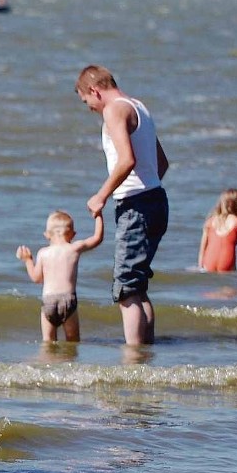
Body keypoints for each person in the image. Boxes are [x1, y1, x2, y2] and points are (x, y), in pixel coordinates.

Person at [75, 65, 169, 346]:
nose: (89, 108)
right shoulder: (139, 106)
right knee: (137, 287)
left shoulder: (114, 110)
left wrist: (101, 195)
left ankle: (133, 361)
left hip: (136, 206)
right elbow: (161, 162)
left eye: (86, 101)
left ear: (94, 90)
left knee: (126, 290)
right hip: (156, 200)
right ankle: (146, 354)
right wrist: (146, 189)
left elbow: (126, 160)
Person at [16, 210, 104, 342]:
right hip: (68, 300)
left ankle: (50, 362)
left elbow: (37, 278)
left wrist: (28, 260)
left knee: (48, 341)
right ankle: (70, 361)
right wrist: (98, 215)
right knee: (73, 340)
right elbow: (97, 238)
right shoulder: (74, 248)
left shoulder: (43, 253)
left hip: (48, 300)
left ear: (47, 235)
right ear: (73, 234)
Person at [198, 188, 237, 272]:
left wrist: (200, 267)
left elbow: (202, 251)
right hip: (227, 265)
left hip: (208, 264)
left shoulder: (209, 222)